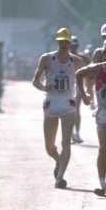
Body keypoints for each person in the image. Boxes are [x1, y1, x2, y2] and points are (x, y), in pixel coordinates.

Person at [32, 26, 84, 189]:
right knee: (49, 146)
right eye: (61, 41)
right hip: (51, 102)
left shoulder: (76, 61)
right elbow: (35, 81)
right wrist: (44, 87)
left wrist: (85, 95)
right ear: (57, 41)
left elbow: (81, 83)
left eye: (66, 41)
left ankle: (59, 178)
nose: (64, 44)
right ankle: (58, 161)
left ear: (70, 42)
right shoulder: (47, 59)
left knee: (66, 143)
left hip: (68, 103)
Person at [76, 36, 106, 197]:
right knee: (103, 148)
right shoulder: (97, 68)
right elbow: (78, 74)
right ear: (103, 54)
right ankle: (102, 183)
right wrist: (83, 95)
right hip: (103, 113)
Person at [70, 35, 89, 142]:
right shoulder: (64, 57)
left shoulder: (82, 57)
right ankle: (70, 132)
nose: (73, 47)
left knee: (76, 109)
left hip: (78, 85)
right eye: (72, 45)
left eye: (75, 45)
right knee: (69, 110)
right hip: (68, 87)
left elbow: (91, 65)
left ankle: (76, 133)